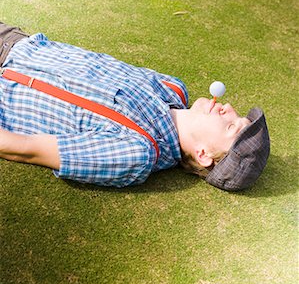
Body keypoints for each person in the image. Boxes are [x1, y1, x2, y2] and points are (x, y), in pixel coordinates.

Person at [0, 22, 270, 191]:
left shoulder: (137, 153)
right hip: (15, 44)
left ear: (203, 155)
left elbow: (26, 149)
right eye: (239, 115)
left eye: (232, 126)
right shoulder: (171, 87)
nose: (230, 108)